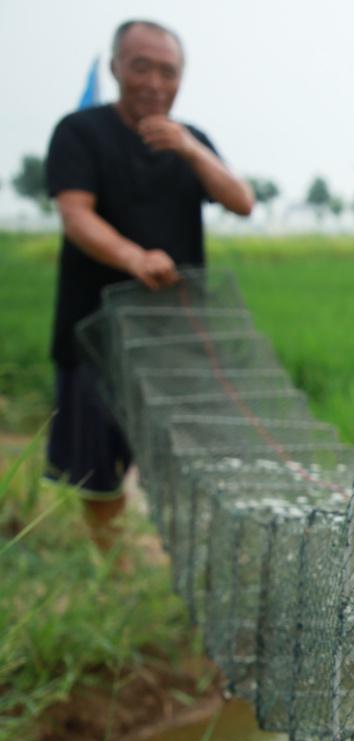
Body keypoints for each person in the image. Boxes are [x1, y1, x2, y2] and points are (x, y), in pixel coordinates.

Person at [44, 19, 254, 553]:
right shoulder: (80, 132)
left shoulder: (191, 141)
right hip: (92, 331)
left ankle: (174, 557)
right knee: (98, 465)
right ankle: (114, 569)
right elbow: (76, 215)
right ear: (116, 67)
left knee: (177, 451)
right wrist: (134, 257)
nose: (155, 83)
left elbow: (241, 201)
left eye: (169, 71)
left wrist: (189, 149)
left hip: (174, 335)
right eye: (141, 67)